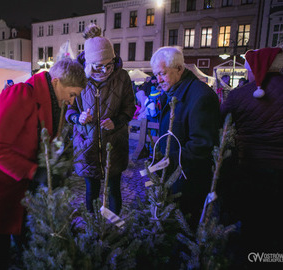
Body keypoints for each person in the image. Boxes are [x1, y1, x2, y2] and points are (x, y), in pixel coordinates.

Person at [0, 58, 87, 269]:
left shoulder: (53, 105)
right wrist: (36, 172)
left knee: (18, 240)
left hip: (11, 182)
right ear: (55, 82)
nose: (72, 102)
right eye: (71, 94)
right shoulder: (20, 95)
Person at [220, 47, 283, 264]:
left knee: (251, 225)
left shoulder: (239, 95)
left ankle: (250, 260)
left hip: (249, 169)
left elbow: (219, 121)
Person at [66, 24, 135, 215]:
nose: (105, 70)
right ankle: (92, 228)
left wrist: (118, 121)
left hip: (114, 143)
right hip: (87, 145)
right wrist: (78, 118)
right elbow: (68, 108)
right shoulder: (78, 78)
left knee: (114, 189)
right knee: (91, 191)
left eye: (109, 65)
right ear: (88, 65)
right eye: (98, 67)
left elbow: (130, 107)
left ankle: (114, 229)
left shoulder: (122, 77)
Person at [150, 46, 220, 227]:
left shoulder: (200, 96)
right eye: (156, 74)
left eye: (162, 73)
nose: (158, 80)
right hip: (171, 177)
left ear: (179, 69)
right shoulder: (171, 92)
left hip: (187, 181)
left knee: (183, 229)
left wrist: (169, 161)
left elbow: (201, 145)